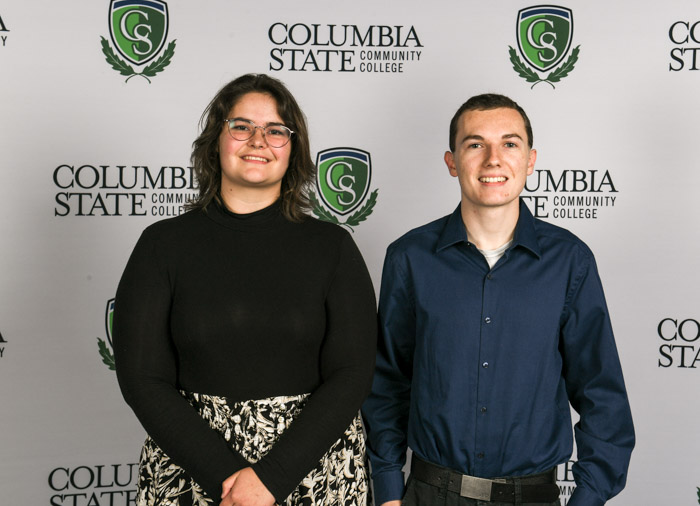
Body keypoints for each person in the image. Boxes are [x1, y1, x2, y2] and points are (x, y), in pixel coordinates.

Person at [113, 73, 377, 506]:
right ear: (216, 141)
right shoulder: (162, 245)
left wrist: (270, 479)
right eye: (241, 126)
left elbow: (352, 374)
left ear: (292, 150)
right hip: (191, 471)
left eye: (276, 130)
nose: (259, 140)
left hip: (314, 473)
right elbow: (142, 379)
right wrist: (230, 479)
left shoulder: (333, 248)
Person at [362, 94, 634, 506]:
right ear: (452, 161)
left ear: (530, 159)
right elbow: (387, 383)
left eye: (509, 144)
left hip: (533, 497)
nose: (493, 159)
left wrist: (588, 497)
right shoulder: (409, 258)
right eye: (475, 144)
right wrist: (386, 487)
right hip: (429, 494)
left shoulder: (570, 262)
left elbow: (602, 393)